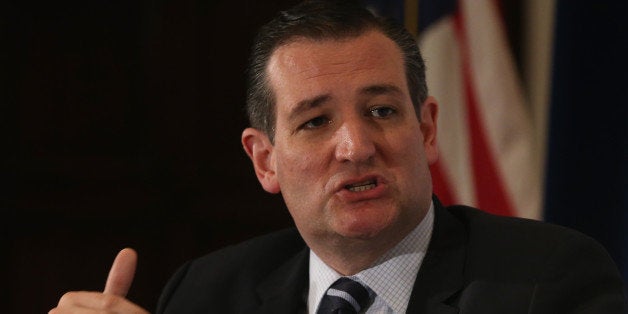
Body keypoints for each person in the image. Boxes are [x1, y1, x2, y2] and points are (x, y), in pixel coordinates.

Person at [50, 1, 628, 313]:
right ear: (265, 161)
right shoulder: (207, 293)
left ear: (426, 130)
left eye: (381, 111)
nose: (355, 148)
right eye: (316, 121)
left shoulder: (546, 283)